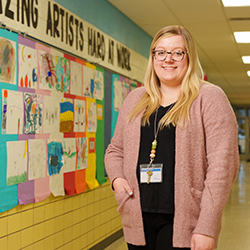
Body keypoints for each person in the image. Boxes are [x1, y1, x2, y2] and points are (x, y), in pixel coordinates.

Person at [104, 25, 239, 250]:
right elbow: (115, 150)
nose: (168, 59)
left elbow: (223, 166)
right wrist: (117, 180)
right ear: (153, 57)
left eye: (177, 52)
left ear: (189, 57)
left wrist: (207, 226)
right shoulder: (135, 99)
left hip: (186, 219)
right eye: (161, 52)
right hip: (138, 215)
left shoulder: (209, 98)